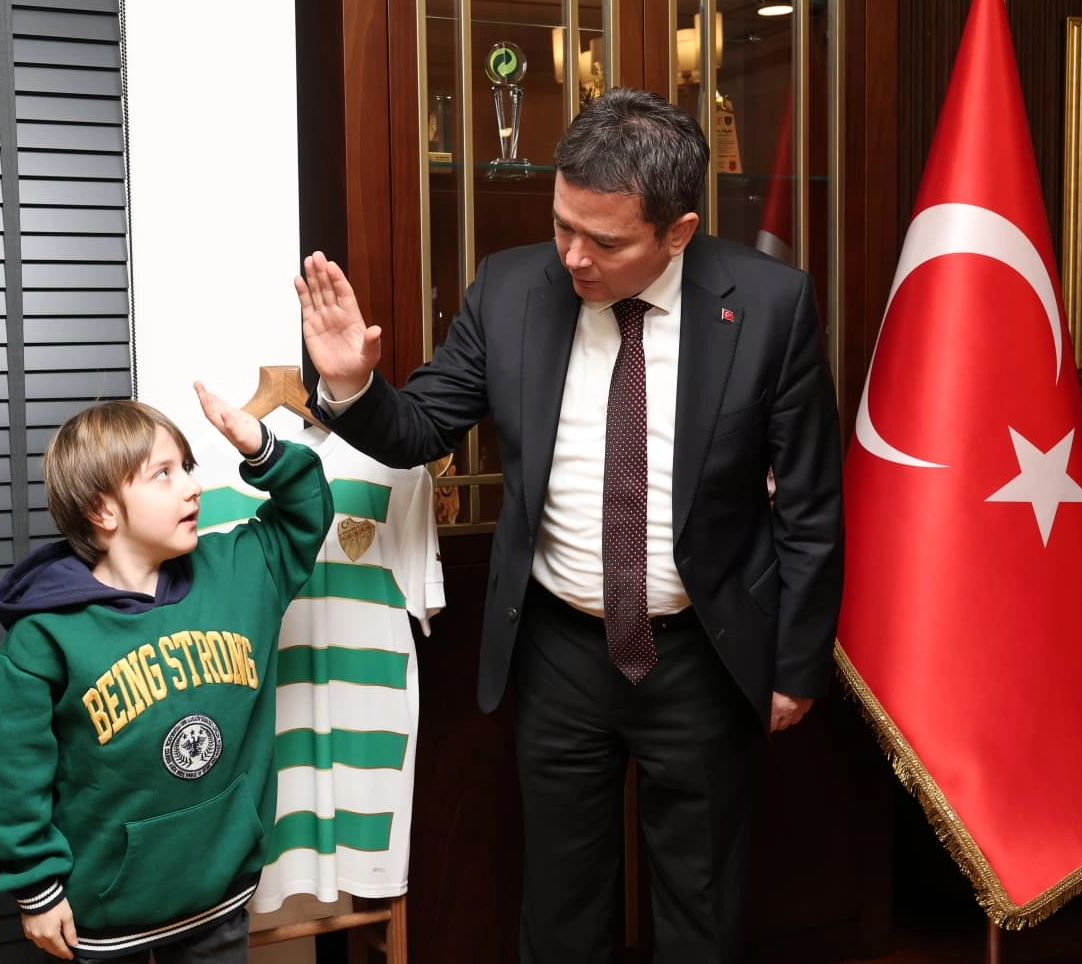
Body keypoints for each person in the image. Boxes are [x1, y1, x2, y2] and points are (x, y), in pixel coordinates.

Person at [295, 87, 843, 963]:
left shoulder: (770, 306)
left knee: (702, 907)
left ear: (678, 231)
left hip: (703, 652)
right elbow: (422, 427)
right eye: (562, 226)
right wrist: (353, 387)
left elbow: (812, 504)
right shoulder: (511, 288)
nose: (575, 257)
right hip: (559, 650)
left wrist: (796, 664)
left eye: (605, 241)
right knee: (561, 908)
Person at [0, 388, 334, 964]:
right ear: (102, 510)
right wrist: (36, 889)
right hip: (106, 913)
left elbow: (306, 512)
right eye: (163, 474)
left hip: (218, 896)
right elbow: (15, 779)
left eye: (186, 467)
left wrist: (261, 448)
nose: (193, 486)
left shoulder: (242, 571)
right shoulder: (43, 637)